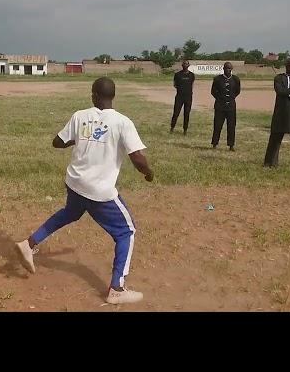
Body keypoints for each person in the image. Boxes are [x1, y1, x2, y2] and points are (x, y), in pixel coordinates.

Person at [14, 77, 154, 305]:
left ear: (94, 95)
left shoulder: (80, 116)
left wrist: (80, 137)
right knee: (126, 232)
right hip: (99, 190)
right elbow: (137, 157)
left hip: (76, 183)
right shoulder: (122, 122)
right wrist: (148, 173)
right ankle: (117, 288)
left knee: (70, 213)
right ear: (113, 96)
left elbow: (57, 142)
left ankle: (28, 244)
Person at [210, 62, 241, 151]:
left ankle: (231, 145)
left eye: (230, 68)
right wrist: (220, 99)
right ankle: (214, 143)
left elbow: (237, 91)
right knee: (217, 125)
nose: (228, 70)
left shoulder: (236, 79)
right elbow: (213, 91)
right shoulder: (217, 79)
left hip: (231, 106)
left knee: (231, 126)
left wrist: (231, 98)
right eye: (227, 68)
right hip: (220, 106)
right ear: (223, 69)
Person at [170, 59, 195, 135]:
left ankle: (185, 130)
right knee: (176, 113)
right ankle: (172, 127)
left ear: (188, 65)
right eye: (184, 64)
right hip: (179, 97)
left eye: (186, 64)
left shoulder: (191, 75)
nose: (185, 65)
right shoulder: (177, 75)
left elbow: (192, 84)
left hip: (188, 97)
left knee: (186, 113)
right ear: (182, 65)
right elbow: (175, 84)